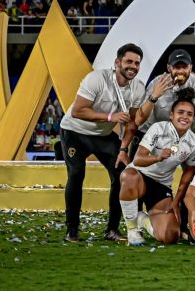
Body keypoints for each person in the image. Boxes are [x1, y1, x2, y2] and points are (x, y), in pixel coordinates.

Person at [59, 43, 146, 243]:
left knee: (122, 174)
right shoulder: (97, 79)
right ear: (117, 62)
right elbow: (77, 110)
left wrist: (124, 148)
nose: (133, 66)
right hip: (75, 131)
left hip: (102, 135)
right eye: (128, 61)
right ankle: (72, 230)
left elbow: (132, 122)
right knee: (76, 173)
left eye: (137, 63)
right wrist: (110, 117)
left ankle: (112, 230)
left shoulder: (138, 88)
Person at [119, 88, 195, 246]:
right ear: (171, 115)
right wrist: (157, 157)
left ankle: (142, 220)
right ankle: (132, 230)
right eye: (180, 112)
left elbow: (189, 172)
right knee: (128, 175)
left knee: (170, 236)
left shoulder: (194, 143)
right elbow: (137, 160)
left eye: (189, 114)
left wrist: (176, 200)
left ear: (193, 118)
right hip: (139, 177)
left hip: (161, 184)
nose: (184, 117)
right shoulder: (158, 128)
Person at [133, 49, 195, 158]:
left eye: (185, 67)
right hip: (152, 134)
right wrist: (154, 96)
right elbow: (138, 120)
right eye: (177, 67)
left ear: (191, 67)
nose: (181, 71)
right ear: (169, 68)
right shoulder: (157, 83)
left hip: (182, 135)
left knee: (194, 167)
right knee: (134, 170)